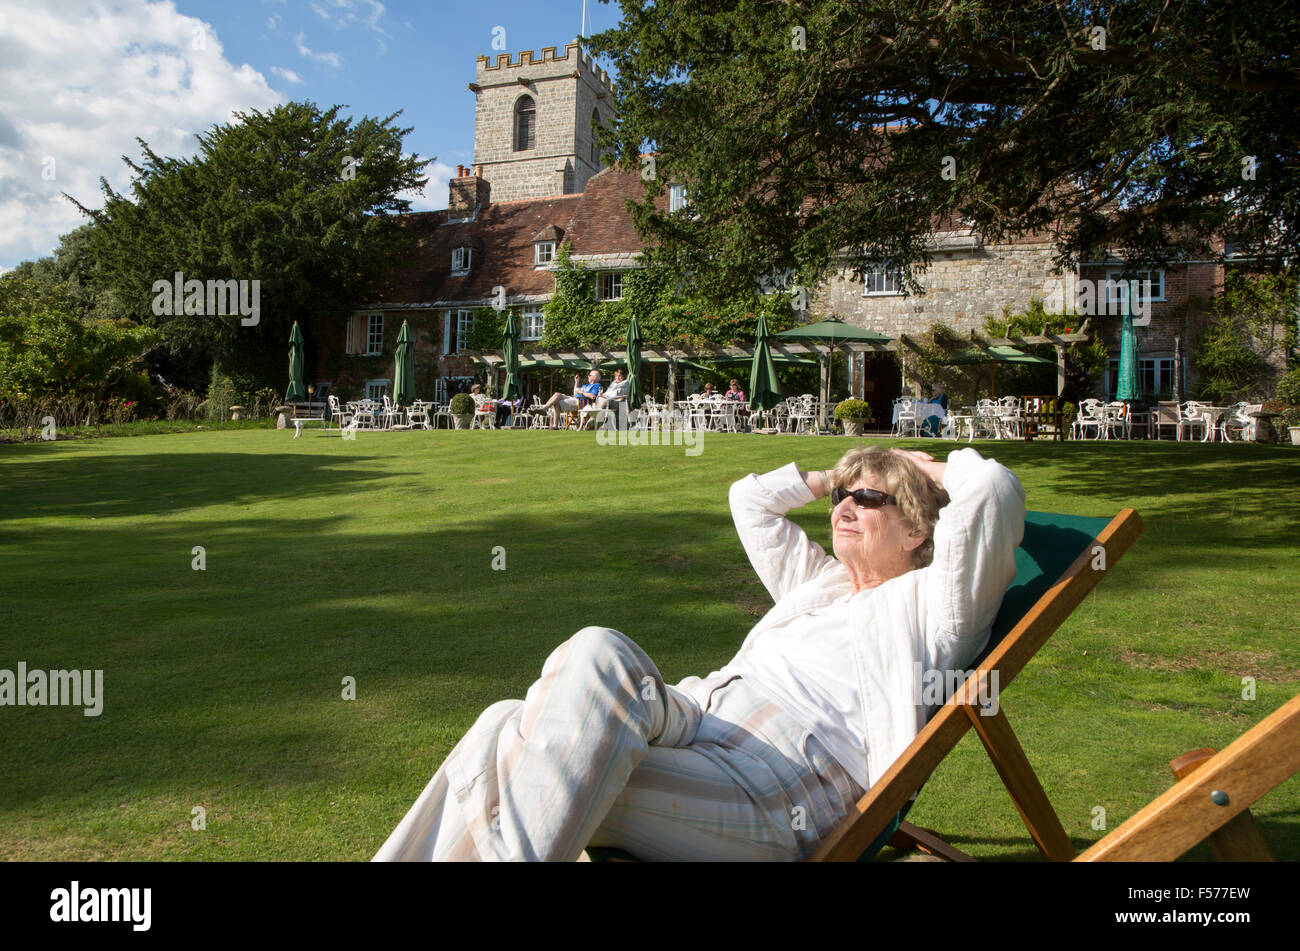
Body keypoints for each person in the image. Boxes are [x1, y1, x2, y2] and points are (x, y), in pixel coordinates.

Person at [373, 446, 1024, 861]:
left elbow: (991, 491)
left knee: (505, 734)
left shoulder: (934, 611)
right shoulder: (819, 585)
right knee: (596, 653)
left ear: (915, 531)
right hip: (694, 716)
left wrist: (919, 465)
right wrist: (843, 470)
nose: (846, 504)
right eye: (841, 498)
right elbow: (751, 500)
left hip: (778, 781)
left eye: (870, 498)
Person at [534, 370, 602, 429]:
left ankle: (555, 425)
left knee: (556, 402)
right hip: (575, 399)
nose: (588, 376)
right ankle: (544, 409)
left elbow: (593, 397)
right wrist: (576, 382)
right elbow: (575, 393)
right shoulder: (586, 385)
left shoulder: (597, 386)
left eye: (589, 375)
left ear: (595, 377)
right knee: (557, 394)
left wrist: (581, 392)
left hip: (582, 403)